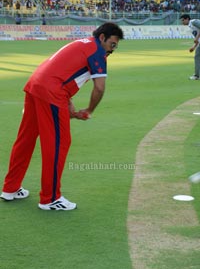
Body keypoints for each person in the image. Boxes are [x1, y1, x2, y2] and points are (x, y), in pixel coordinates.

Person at [0, 22, 124, 211]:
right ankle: (49, 198)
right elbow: (99, 88)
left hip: (35, 85)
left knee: (25, 139)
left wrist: (70, 108)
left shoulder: (82, 43)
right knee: (58, 143)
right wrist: (89, 110)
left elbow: (63, 74)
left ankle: (10, 188)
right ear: (102, 38)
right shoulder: (97, 52)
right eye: (112, 44)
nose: (113, 49)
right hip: (51, 92)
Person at [180, 14, 200, 80]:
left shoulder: (193, 22)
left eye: (183, 20)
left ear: (187, 19)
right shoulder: (191, 26)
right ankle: (197, 75)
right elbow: (197, 39)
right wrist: (194, 47)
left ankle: (197, 75)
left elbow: (197, 38)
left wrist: (196, 38)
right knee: (197, 57)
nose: (182, 22)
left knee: (197, 57)